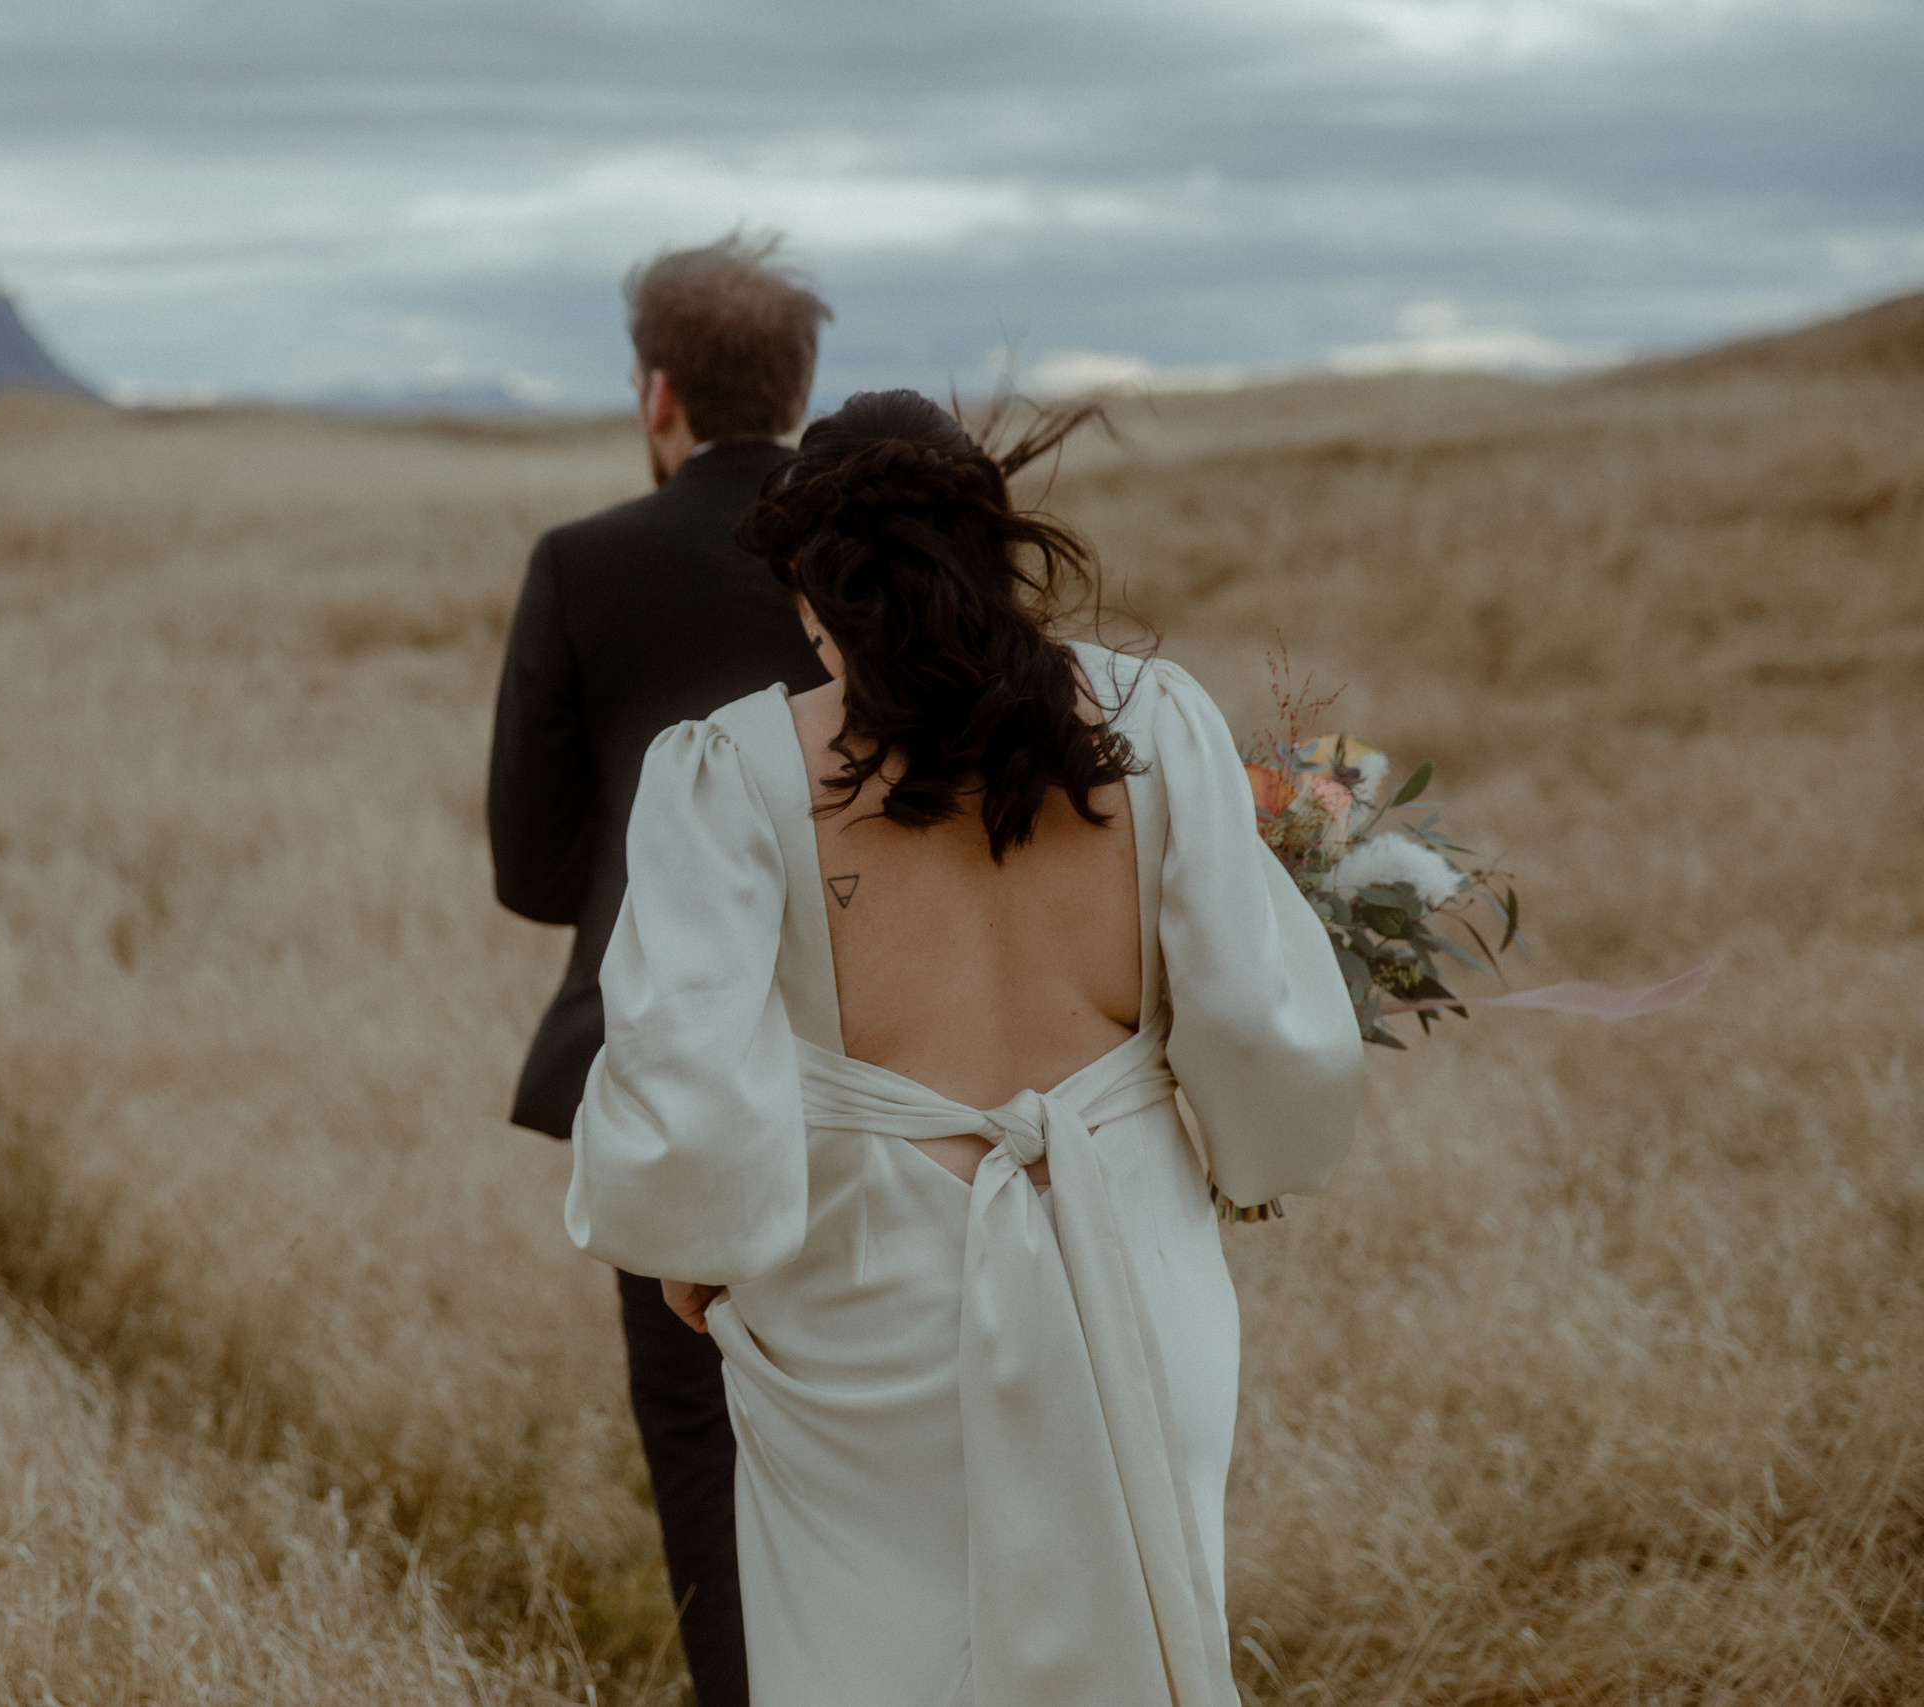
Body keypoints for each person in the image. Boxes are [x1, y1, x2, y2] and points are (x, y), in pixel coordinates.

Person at [565, 390, 1366, 1706]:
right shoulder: (1154, 722)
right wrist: (1249, 1156)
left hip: (859, 1306)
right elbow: (1253, 1022)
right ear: (991, 548)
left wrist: (694, 1256)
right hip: (1135, 1266)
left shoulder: (734, 770)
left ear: (812, 584)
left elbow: (684, 1072)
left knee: (876, 1662)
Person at [486, 233, 834, 1707]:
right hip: (886, 1056)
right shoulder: (872, 556)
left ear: (658, 393)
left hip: (668, 1080)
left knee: (703, 1448)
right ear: (801, 393)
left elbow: (531, 870)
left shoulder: (585, 563)